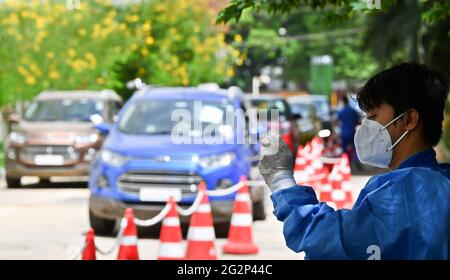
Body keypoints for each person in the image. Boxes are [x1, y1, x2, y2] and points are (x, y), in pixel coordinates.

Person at [259, 62, 450, 259]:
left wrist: (281, 181)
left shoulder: (405, 192)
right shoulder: (440, 181)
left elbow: (330, 240)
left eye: (373, 117)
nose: (365, 128)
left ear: (409, 119)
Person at [336, 95, 359, 162]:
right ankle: (356, 161)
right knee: (355, 148)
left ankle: (345, 161)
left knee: (343, 148)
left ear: (342, 102)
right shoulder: (353, 111)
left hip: (344, 133)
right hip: (352, 132)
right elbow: (357, 121)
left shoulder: (341, 111)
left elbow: (336, 120)